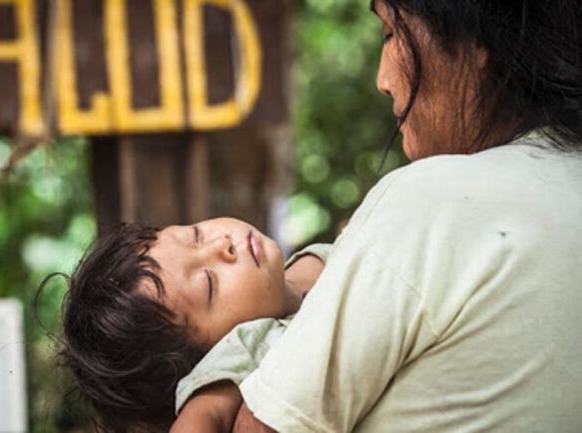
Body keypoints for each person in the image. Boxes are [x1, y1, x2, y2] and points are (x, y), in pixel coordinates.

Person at [173, 0, 582, 431]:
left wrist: (216, 388)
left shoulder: (431, 197)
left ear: (475, 36)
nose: (382, 80)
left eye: (391, 33)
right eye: (207, 282)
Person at [50, 218, 327, 432]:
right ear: (205, 365)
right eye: (209, 282)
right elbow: (202, 415)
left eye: (195, 235)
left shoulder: (307, 264)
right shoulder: (240, 352)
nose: (222, 245)